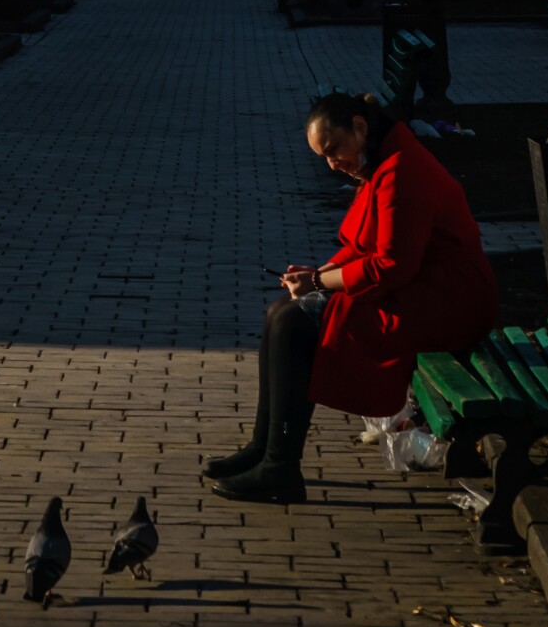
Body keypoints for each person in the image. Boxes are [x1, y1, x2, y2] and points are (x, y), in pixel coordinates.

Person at [203, 92, 499, 504]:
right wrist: (317, 275)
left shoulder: (402, 171)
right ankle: (264, 449)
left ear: (359, 127)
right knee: (280, 312)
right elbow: (365, 248)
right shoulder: (385, 163)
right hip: (424, 293)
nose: (331, 163)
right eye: (322, 156)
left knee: (292, 325)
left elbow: (391, 266)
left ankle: (280, 467)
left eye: (334, 149)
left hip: (447, 305)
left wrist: (323, 284)